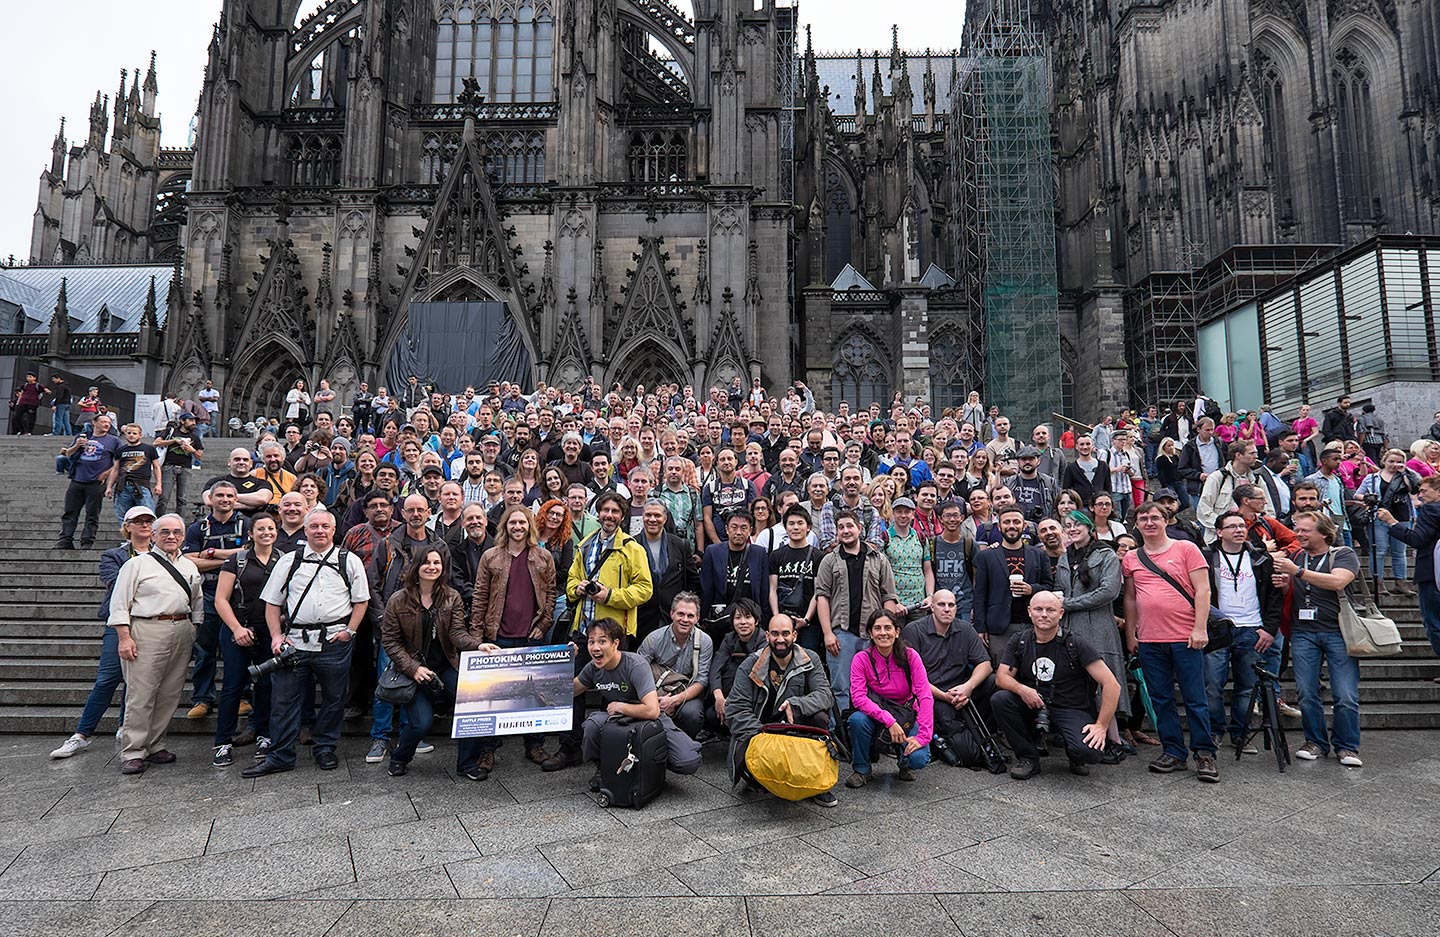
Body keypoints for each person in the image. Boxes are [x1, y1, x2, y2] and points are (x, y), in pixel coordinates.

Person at [245, 509, 370, 777]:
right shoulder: (289, 561)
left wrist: (350, 631)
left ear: (334, 529)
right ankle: (281, 754)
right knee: (284, 701)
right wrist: (277, 636)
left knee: (334, 699)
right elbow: (272, 603)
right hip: (296, 642)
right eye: (314, 526)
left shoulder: (349, 561)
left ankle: (325, 747)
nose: (320, 531)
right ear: (305, 530)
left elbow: (361, 601)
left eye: (325, 526)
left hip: (335, 642)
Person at [49, 505, 155, 760]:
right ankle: (81, 735)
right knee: (108, 678)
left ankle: (124, 728)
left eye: (148, 521)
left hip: (151, 622)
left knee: (137, 681)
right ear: (127, 527)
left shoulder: (163, 554)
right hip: (120, 621)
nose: (144, 525)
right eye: (138, 521)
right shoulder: (113, 555)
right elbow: (115, 582)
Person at [1122, 500, 1218, 782]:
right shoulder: (1132, 558)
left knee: (1195, 698)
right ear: (1136, 525)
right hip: (1151, 639)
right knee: (1161, 698)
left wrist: (1200, 628)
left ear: (1165, 520)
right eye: (1143, 519)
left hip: (1186, 637)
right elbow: (1130, 598)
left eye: (1154, 518)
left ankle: (1204, 753)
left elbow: (1203, 590)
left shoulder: (1186, 548)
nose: (1149, 523)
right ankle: (1173, 750)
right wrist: (1131, 634)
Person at [382, 547, 495, 778]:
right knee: (421, 724)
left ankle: (466, 764)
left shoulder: (451, 596)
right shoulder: (398, 600)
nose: (432, 567)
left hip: (446, 665)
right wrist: (413, 669)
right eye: (427, 562)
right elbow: (390, 641)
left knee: (473, 706)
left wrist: (477, 645)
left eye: (437, 563)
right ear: (416, 567)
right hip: (414, 670)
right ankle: (400, 756)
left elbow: (456, 633)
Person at [108, 513, 205, 774]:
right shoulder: (136, 565)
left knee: (170, 692)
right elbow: (119, 603)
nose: (171, 537)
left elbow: (197, 601)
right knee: (141, 693)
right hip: (146, 629)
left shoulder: (189, 566)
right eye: (165, 532)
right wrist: (124, 637)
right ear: (153, 535)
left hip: (181, 629)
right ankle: (133, 750)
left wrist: (193, 628)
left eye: (176, 532)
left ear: (184, 537)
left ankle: (155, 745)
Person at [992, 591, 1121, 778]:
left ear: (1060, 613)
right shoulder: (1020, 641)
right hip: (1034, 704)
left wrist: (1101, 726)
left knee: (1089, 753)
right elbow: (1001, 677)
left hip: (1071, 707)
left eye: (1050, 610)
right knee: (1001, 699)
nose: (1044, 614)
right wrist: (1022, 689)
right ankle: (1028, 757)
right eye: (1038, 609)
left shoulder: (1075, 643)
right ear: (1029, 612)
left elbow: (1112, 685)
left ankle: (1075, 754)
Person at [1271, 511, 1364, 766]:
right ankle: (1315, 742)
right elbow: (1294, 588)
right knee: (1306, 692)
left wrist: (1297, 572)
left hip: (1338, 631)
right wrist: (1284, 583)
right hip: (1303, 632)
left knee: (1345, 694)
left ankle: (1347, 747)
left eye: (1305, 531)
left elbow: (1338, 581)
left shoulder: (1342, 554)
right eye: (1297, 529)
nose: (1298, 534)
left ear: (1323, 532)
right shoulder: (1298, 556)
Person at [471, 504, 557, 767]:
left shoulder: (543, 557)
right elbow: (480, 596)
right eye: (512, 523)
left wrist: (543, 624)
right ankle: (488, 749)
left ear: (529, 526)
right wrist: (477, 636)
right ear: (505, 527)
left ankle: (535, 745)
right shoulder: (490, 557)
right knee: (494, 696)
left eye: (522, 523)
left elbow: (551, 594)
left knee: (535, 693)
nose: (517, 527)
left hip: (531, 635)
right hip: (498, 636)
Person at [570, 616, 702, 788]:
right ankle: (604, 768)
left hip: (648, 718)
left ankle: (650, 763)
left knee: (688, 761)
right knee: (592, 725)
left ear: (615, 643)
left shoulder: (635, 665)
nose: (595, 648)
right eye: (591, 642)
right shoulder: (593, 668)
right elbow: (569, 692)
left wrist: (622, 707)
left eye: (602, 641)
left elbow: (652, 711)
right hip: (618, 720)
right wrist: (568, 661)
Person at [722, 612, 837, 807]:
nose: (780, 639)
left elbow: (826, 695)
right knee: (755, 776)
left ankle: (818, 783)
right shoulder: (750, 664)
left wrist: (797, 704)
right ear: (767, 636)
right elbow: (735, 709)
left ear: (795, 635)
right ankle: (761, 775)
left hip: (796, 727)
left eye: (785, 633)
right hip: (761, 730)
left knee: (820, 717)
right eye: (775, 634)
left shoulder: (811, 659)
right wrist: (763, 735)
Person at [1204, 511, 1284, 752]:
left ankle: (1241, 734)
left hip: (1251, 629)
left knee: (1247, 686)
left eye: (1241, 526)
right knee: (1211, 685)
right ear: (1219, 532)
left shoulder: (1261, 559)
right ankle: (1216, 731)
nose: (1239, 530)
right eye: (1231, 527)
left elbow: (1274, 598)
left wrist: (1269, 630)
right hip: (1218, 630)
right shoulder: (1207, 558)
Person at [210, 512, 281, 767]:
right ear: (250, 533)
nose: (266, 533)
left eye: (271, 528)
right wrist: (237, 629)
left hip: (269, 630)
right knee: (233, 685)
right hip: (236, 628)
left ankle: (264, 735)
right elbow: (220, 599)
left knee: (266, 685)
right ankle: (223, 742)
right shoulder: (236, 559)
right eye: (260, 529)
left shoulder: (282, 560)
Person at [1055, 510, 1128, 752]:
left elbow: (1109, 592)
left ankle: (1113, 739)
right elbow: (1060, 589)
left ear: (1089, 528)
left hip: (1097, 627)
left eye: (1077, 524)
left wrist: (1067, 604)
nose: (1072, 528)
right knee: (1077, 683)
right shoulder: (1064, 557)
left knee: (1103, 682)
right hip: (1069, 628)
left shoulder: (1106, 554)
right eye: (1068, 525)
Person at [180, 481, 251, 720]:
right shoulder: (197, 528)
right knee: (205, 649)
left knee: (241, 649)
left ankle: (243, 696)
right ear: (210, 498)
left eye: (230, 495)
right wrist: (231, 560)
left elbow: (252, 553)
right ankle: (202, 698)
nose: (225, 499)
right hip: (208, 593)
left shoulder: (246, 524)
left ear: (236, 498)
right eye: (220, 495)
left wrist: (210, 553)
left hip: (239, 596)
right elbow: (189, 561)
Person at [900, 589, 994, 762]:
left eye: (951, 605)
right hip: (929, 694)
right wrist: (944, 696)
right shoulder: (913, 630)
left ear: (956, 609)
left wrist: (968, 687)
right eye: (941, 604)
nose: (946, 609)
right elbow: (911, 679)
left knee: (992, 682)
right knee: (959, 740)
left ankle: (982, 733)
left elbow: (985, 665)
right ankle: (951, 741)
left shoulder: (965, 628)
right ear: (932, 607)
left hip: (961, 690)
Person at [815, 509, 900, 699]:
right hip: (841, 635)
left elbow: (889, 596)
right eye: (841, 527)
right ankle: (840, 728)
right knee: (841, 688)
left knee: (876, 688)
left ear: (859, 529)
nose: (845, 531)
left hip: (873, 635)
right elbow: (822, 597)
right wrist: (828, 633)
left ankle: (876, 727)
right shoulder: (828, 560)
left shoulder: (879, 559)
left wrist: (887, 631)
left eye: (849, 526)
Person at [845, 609, 933, 786]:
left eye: (888, 628)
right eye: (877, 628)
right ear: (870, 633)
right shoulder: (861, 659)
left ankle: (905, 763)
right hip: (876, 714)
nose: (883, 633)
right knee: (856, 720)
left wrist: (924, 736)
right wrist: (889, 721)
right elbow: (858, 698)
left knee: (919, 758)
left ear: (897, 632)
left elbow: (925, 696)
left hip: (906, 713)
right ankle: (862, 769)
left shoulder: (910, 656)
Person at [972, 506, 1054, 658]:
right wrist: (980, 628)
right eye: (1007, 522)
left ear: (1024, 526)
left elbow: (1049, 586)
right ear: (999, 526)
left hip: (1033, 624)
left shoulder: (1039, 555)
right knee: (1001, 671)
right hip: (999, 626)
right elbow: (979, 594)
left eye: (1016, 522)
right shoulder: (986, 556)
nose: (1011, 526)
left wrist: (1032, 589)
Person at [636, 592, 714, 741]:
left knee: (692, 714)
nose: (685, 619)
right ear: (672, 614)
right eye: (680, 614)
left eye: (690, 616)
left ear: (697, 618)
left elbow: (701, 680)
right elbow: (637, 673)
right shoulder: (654, 638)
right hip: (655, 690)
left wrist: (675, 700)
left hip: (686, 693)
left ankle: (684, 745)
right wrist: (654, 699)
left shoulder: (704, 641)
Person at [1379, 475, 1440, 663]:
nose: (1419, 495)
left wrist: (1392, 522)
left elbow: (1417, 539)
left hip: (1432, 572)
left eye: (1424, 491)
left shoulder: (1431, 510)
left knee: (1434, 622)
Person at [699, 510, 770, 641]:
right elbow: (706, 588)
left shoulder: (759, 553)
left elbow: (764, 588)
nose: (738, 532)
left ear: (750, 530)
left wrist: (764, 618)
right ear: (727, 529)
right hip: (721, 618)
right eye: (734, 527)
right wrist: (703, 618)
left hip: (750, 618)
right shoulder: (713, 552)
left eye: (744, 528)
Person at [1356, 449, 1420, 595]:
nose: (1394, 464)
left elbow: (1414, 488)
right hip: (1379, 515)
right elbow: (1357, 494)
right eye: (1391, 461)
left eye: (1398, 461)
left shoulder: (1405, 476)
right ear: (1384, 461)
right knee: (1379, 551)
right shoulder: (1373, 478)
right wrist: (1367, 497)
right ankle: (1378, 583)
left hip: (1401, 517)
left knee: (1399, 552)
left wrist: (1405, 472)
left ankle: (1401, 582)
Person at [56, 414, 121, 549]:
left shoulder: (114, 441)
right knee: (70, 511)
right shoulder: (83, 436)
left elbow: (120, 462)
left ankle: (87, 541)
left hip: (96, 482)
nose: (106, 424)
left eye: (108, 422)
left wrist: (106, 474)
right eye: (103, 421)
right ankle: (65, 540)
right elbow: (68, 454)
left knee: (92, 513)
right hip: (78, 479)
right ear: (94, 423)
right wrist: (77, 446)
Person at [635, 499, 694, 641]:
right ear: (642, 517)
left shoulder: (680, 545)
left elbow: (692, 580)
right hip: (642, 618)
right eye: (648, 515)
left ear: (665, 518)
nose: (652, 520)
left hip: (673, 616)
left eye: (657, 515)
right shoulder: (632, 544)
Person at [153, 412, 204, 517]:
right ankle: (159, 520)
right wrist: (174, 441)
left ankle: (179, 522)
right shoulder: (170, 432)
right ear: (182, 421)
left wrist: (192, 450)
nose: (193, 423)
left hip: (185, 468)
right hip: (168, 466)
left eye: (195, 421)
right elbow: (156, 443)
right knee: (164, 497)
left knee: (182, 499)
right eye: (191, 420)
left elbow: (199, 455)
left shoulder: (194, 437)